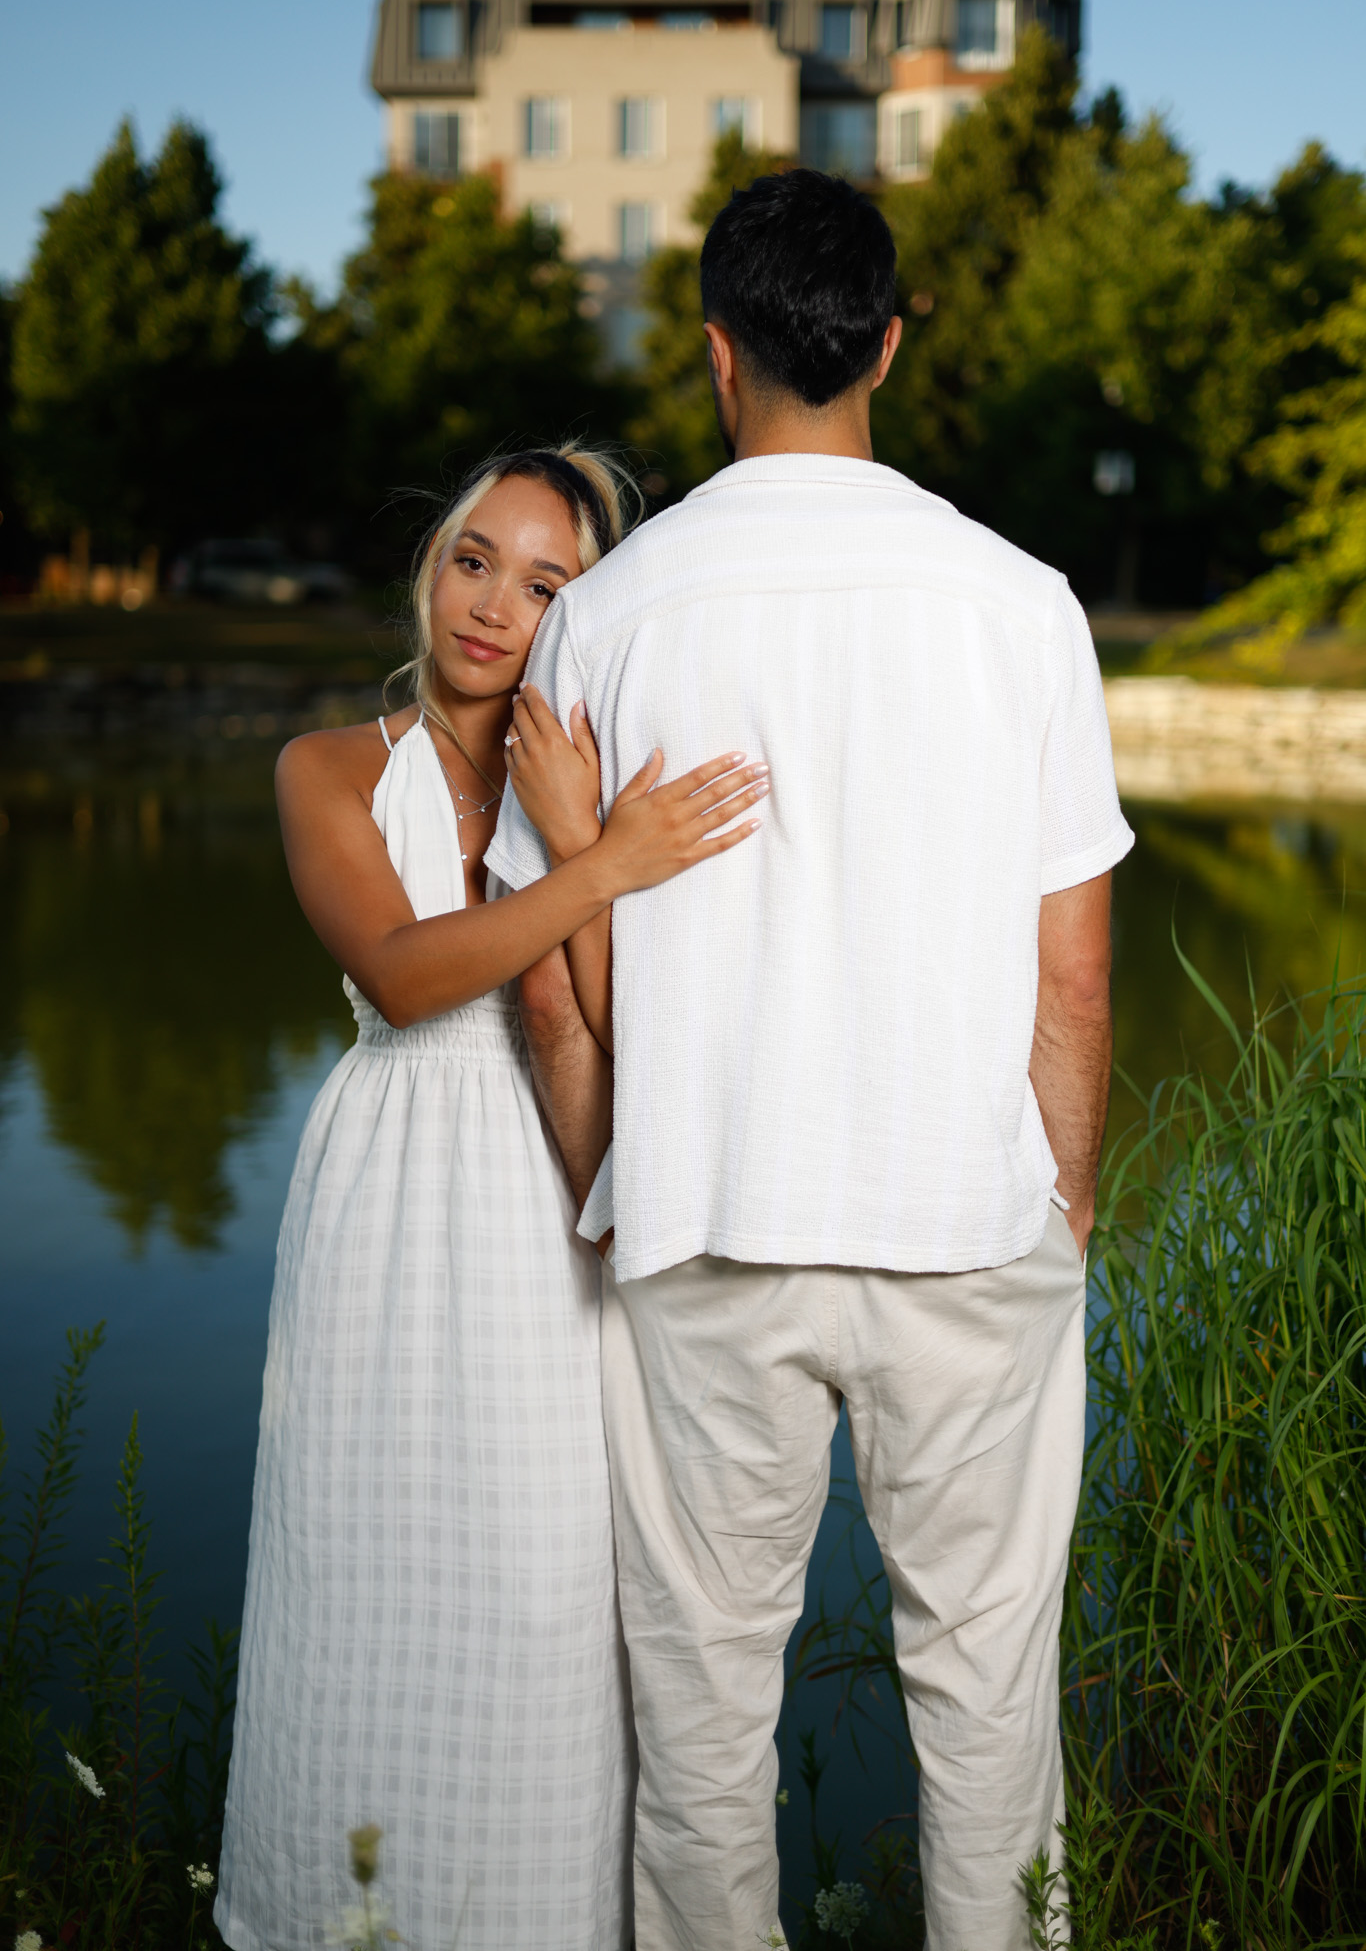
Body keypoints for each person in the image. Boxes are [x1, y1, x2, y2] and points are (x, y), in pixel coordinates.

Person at [487, 175, 1135, 1951]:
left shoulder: (609, 615)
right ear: (888, 346)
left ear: (717, 355)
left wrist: (615, 1191)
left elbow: (550, 985)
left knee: (700, 1706)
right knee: (987, 1689)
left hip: (706, 1217)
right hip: (967, 1224)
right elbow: (1072, 975)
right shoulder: (1022, 604)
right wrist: (1065, 1206)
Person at [214, 445, 768, 1951]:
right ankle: (340, 1913)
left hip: (558, 1177)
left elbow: (630, 1022)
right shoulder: (328, 767)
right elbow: (403, 979)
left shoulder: (592, 781)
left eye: (541, 585)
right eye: (474, 559)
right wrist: (608, 866)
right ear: (432, 564)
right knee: (362, 1560)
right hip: (391, 1194)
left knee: (548, 1578)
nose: (491, 605)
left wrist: (585, 834)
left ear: (580, 615)